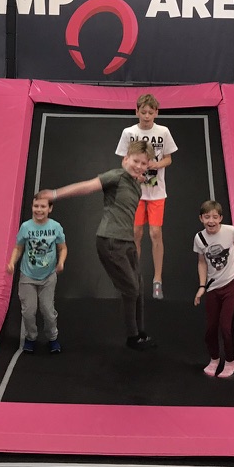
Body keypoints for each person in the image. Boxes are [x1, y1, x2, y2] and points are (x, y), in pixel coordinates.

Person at [39, 139, 156, 350]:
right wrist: (55, 194)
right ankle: (132, 337)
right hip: (110, 241)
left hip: (127, 241)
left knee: (139, 286)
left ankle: (140, 332)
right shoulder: (116, 176)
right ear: (125, 159)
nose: (138, 166)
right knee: (131, 289)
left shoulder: (137, 185)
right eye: (135, 161)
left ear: (148, 166)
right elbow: (87, 187)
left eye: (143, 163)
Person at [115, 93, 178, 300]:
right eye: (143, 112)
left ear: (156, 113)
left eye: (151, 112)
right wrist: (134, 171)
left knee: (155, 233)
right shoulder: (129, 132)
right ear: (137, 112)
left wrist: (156, 165)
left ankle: (157, 279)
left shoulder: (163, 132)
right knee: (136, 232)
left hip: (157, 192)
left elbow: (168, 159)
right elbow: (124, 160)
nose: (147, 116)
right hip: (136, 191)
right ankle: (134, 276)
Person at [6, 192, 67, 354]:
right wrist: (12, 262)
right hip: (28, 276)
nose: (39, 210)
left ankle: (52, 337)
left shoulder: (55, 227)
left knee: (48, 310)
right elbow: (18, 247)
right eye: (36, 206)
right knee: (28, 311)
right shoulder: (26, 227)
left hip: (48, 276)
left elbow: (62, 248)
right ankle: (31, 337)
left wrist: (61, 262)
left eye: (43, 207)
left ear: (50, 209)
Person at [193, 200, 234, 378]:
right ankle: (214, 359)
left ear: (221, 218)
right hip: (213, 287)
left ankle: (231, 360)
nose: (211, 221)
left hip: (231, 284)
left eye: (215, 217)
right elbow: (202, 262)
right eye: (207, 217)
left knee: (226, 327)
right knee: (211, 328)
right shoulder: (199, 238)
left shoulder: (230, 231)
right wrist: (202, 286)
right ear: (201, 218)